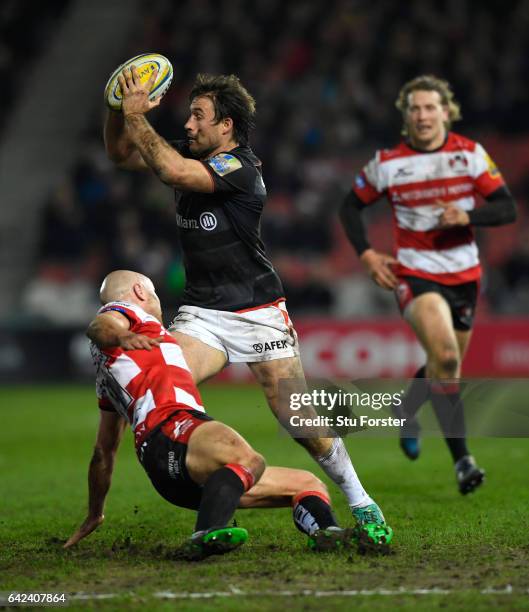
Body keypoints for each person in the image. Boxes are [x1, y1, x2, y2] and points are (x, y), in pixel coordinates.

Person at [102, 65, 391, 529]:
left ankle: (360, 502)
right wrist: (117, 107)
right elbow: (120, 153)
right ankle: (202, 484)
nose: (188, 125)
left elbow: (170, 170)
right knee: (160, 387)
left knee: (300, 419)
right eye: (189, 116)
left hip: (259, 312)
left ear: (226, 126)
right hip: (202, 315)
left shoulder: (241, 168)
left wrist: (138, 115)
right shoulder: (190, 154)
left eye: (198, 116)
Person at [64, 270, 392, 558]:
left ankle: (326, 534)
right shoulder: (128, 315)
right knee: (247, 457)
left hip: (178, 473)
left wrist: (96, 512)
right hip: (174, 431)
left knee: (307, 484)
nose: (157, 300)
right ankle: (204, 534)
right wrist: (121, 334)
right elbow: (101, 325)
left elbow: (102, 453)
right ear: (140, 292)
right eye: (154, 293)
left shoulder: (109, 379)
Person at [340, 75, 516, 494]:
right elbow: (350, 207)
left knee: (444, 365)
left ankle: (407, 408)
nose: (422, 115)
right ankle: (463, 462)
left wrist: (467, 216)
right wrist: (366, 254)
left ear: (445, 112)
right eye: (414, 108)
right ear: (407, 116)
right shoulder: (388, 163)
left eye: (429, 107)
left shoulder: (470, 155)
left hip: (466, 276)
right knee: (446, 359)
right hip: (415, 274)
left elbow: (505, 208)